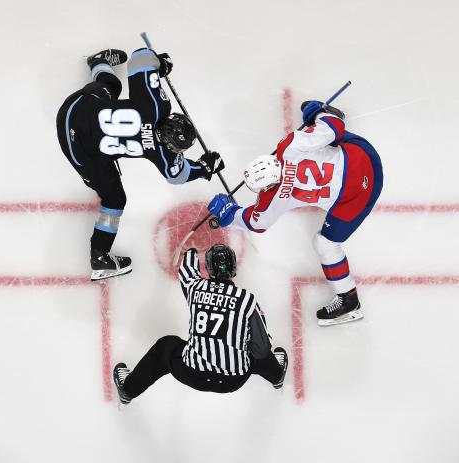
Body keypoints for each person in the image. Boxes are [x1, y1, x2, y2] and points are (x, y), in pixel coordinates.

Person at [207, 101, 383, 326]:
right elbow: (335, 127)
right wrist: (317, 113)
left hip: (358, 198)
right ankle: (320, 117)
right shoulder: (289, 146)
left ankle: (349, 301)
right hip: (366, 156)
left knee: (325, 244)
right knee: (329, 135)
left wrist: (229, 214)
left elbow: (255, 222)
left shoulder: (274, 198)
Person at [56, 48, 224, 280]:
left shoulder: (156, 107)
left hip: (73, 111)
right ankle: (100, 257)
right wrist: (205, 168)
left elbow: (140, 57)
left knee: (111, 86)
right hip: (79, 153)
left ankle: (99, 64)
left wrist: (159, 66)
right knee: (114, 198)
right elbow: (179, 175)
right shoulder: (165, 154)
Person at [112, 244, 288, 404]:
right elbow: (262, 348)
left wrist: (192, 251)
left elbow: (186, 271)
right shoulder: (247, 300)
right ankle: (277, 377)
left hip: (192, 373)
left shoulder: (197, 289)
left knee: (165, 346)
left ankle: (128, 391)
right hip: (234, 380)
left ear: (208, 268)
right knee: (256, 349)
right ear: (234, 267)